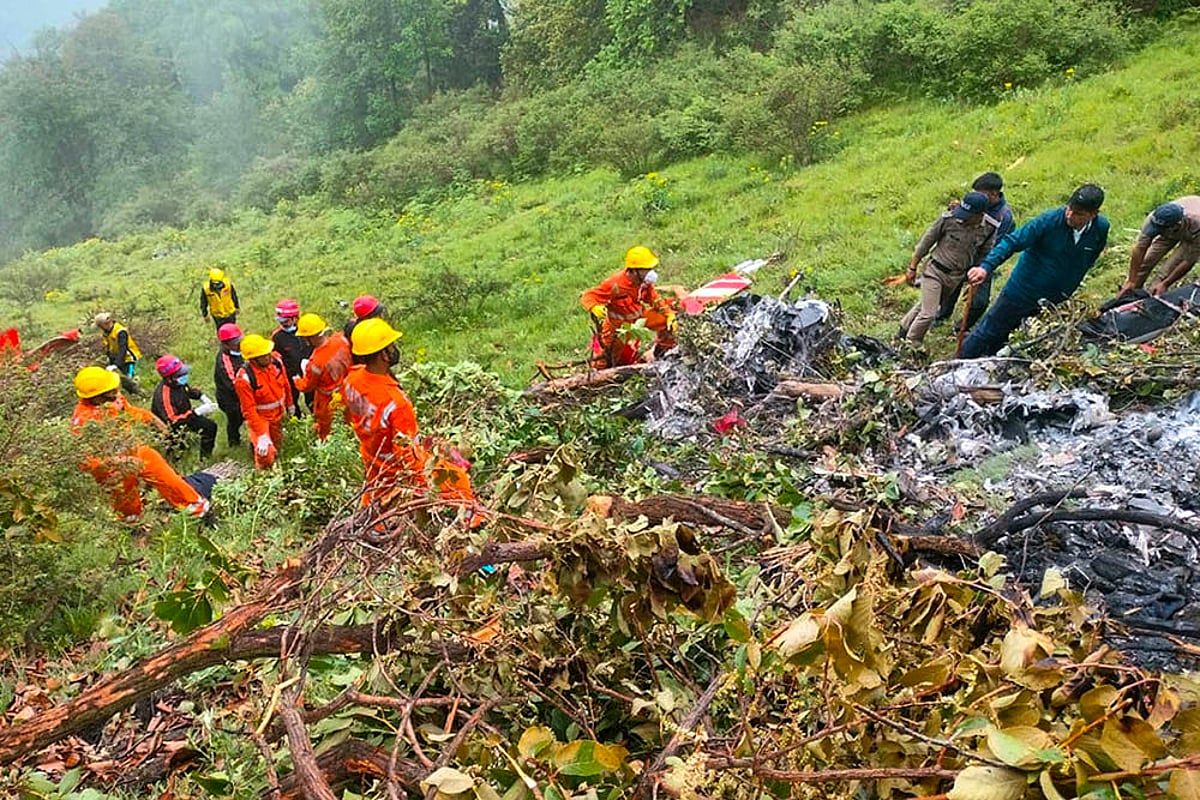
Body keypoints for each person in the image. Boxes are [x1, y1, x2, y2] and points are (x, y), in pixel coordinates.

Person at [341, 318, 482, 521]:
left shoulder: (351, 380)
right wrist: (427, 489)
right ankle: (473, 523)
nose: (394, 349)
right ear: (383, 354)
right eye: (391, 346)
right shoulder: (396, 403)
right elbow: (408, 458)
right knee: (460, 481)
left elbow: (351, 414)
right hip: (395, 469)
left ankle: (374, 510)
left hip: (372, 457)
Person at [960, 184, 1109, 359]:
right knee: (989, 330)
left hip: (1056, 299)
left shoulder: (1100, 228)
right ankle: (957, 366)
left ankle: (995, 364)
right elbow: (1012, 242)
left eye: (1078, 214)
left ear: (1093, 214)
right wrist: (986, 267)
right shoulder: (1049, 221)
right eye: (1069, 209)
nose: (1070, 215)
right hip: (1022, 291)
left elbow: (1090, 258)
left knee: (1023, 338)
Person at [71, 366, 210, 523]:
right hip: (112, 466)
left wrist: (154, 420)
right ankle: (133, 525)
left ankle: (198, 510)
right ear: (96, 397)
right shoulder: (82, 421)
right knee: (126, 501)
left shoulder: (113, 397)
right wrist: (118, 462)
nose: (117, 391)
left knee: (168, 478)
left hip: (134, 449)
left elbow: (130, 411)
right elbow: (87, 460)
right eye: (112, 390)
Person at [897, 191, 996, 344]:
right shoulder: (949, 220)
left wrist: (975, 279)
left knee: (927, 305)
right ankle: (912, 344)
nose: (962, 217)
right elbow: (926, 242)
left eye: (968, 214)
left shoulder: (989, 228)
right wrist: (912, 267)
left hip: (955, 277)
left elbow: (984, 255)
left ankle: (903, 330)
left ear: (979, 214)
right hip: (934, 271)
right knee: (929, 313)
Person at [936, 172, 1016, 329]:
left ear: (994, 194)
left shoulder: (1004, 217)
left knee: (979, 302)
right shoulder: (977, 204)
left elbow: (998, 246)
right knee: (950, 288)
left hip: (983, 262)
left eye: (981, 194)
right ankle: (942, 314)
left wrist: (984, 267)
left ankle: (962, 327)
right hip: (963, 255)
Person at [580, 246, 678, 367]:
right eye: (646, 269)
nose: (651, 272)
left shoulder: (643, 283)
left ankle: (664, 352)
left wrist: (669, 314)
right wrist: (594, 307)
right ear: (634, 270)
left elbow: (654, 298)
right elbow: (588, 295)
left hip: (639, 320)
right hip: (618, 328)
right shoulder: (615, 284)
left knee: (667, 321)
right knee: (605, 359)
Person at [234, 334, 294, 469]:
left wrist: (290, 404)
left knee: (277, 445)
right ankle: (263, 473)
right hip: (261, 419)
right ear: (253, 359)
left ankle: (277, 466)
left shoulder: (276, 363)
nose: (269, 356)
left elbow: (285, 383)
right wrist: (261, 434)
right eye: (264, 355)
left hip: (278, 415)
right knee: (265, 454)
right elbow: (249, 410)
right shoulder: (244, 379)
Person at [1119, 197, 1200, 296]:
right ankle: (1130, 294)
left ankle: (1153, 296)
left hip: (1192, 235)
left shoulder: (1197, 224)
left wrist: (1165, 284)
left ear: (1176, 225)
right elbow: (1140, 248)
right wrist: (1131, 280)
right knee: (1144, 263)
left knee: (1165, 274)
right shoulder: (1154, 219)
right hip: (1170, 230)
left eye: (1160, 229)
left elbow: (1188, 261)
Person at [293, 313, 351, 441]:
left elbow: (308, 386)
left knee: (327, 428)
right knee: (349, 420)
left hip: (328, 399)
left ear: (308, 338)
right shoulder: (340, 340)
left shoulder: (315, 363)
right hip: (348, 389)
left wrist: (297, 381)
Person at [151, 354, 218, 460]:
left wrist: (201, 396)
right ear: (169, 378)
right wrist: (197, 412)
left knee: (210, 427)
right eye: (180, 374)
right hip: (170, 428)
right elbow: (172, 421)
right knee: (179, 452)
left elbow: (188, 390)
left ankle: (205, 458)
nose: (184, 376)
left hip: (187, 417)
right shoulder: (164, 396)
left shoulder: (178, 383)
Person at [271, 299, 311, 416]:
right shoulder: (277, 337)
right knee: (292, 403)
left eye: (286, 321)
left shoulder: (306, 329)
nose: (283, 324)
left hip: (309, 373)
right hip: (290, 376)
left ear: (295, 318)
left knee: (312, 401)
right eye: (281, 321)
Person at [214, 323, 246, 447]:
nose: (238, 344)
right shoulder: (224, 362)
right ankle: (234, 443)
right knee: (235, 420)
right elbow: (233, 384)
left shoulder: (240, 351)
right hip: (230, 398)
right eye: (235, 342)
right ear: (225, 344)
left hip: (241, 392)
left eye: (239, 340)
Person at [94, 313, 141, 391]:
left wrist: (116, 364)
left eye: (100, 326)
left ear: (105, 324)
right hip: (118, 358)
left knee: (129, 379)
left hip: (129, 359)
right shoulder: (106, 333)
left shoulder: (120, 332)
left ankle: (139, 394)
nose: (100, 328)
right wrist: (109, 359)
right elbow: (109, 347)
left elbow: (123, 349)